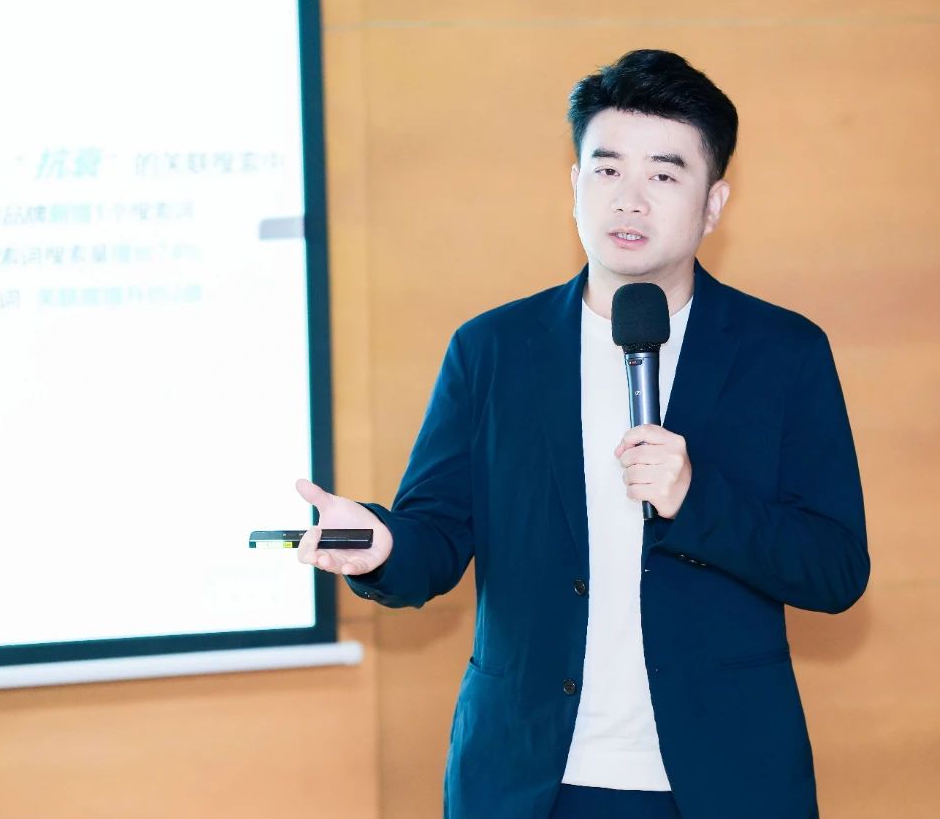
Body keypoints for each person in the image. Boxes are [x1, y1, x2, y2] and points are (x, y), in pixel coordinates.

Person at [295, 49, 869, 819]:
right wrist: (383, 545)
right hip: (529, 778)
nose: (629, 199)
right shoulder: (493, 349)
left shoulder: (783, 353)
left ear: (714, 203)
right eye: (606, 170)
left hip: (723, 780)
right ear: (573, 185)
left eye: (663, 175)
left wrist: (697, 498)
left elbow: (835, 568)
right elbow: (437, 534)